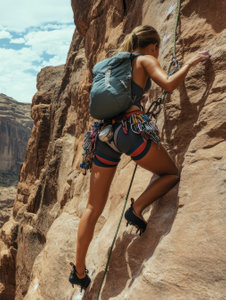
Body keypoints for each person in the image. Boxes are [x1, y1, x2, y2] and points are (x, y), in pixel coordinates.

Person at [69, 25, 210, 289]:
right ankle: (137, 208)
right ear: (153, 46)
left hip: (102, 136)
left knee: (92, 207)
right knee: (170, 173)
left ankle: (78, 271)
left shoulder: (112, 65)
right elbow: (167, 84)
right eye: (157, 48)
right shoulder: (145, 59)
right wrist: (190, 62)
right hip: (129, 131)